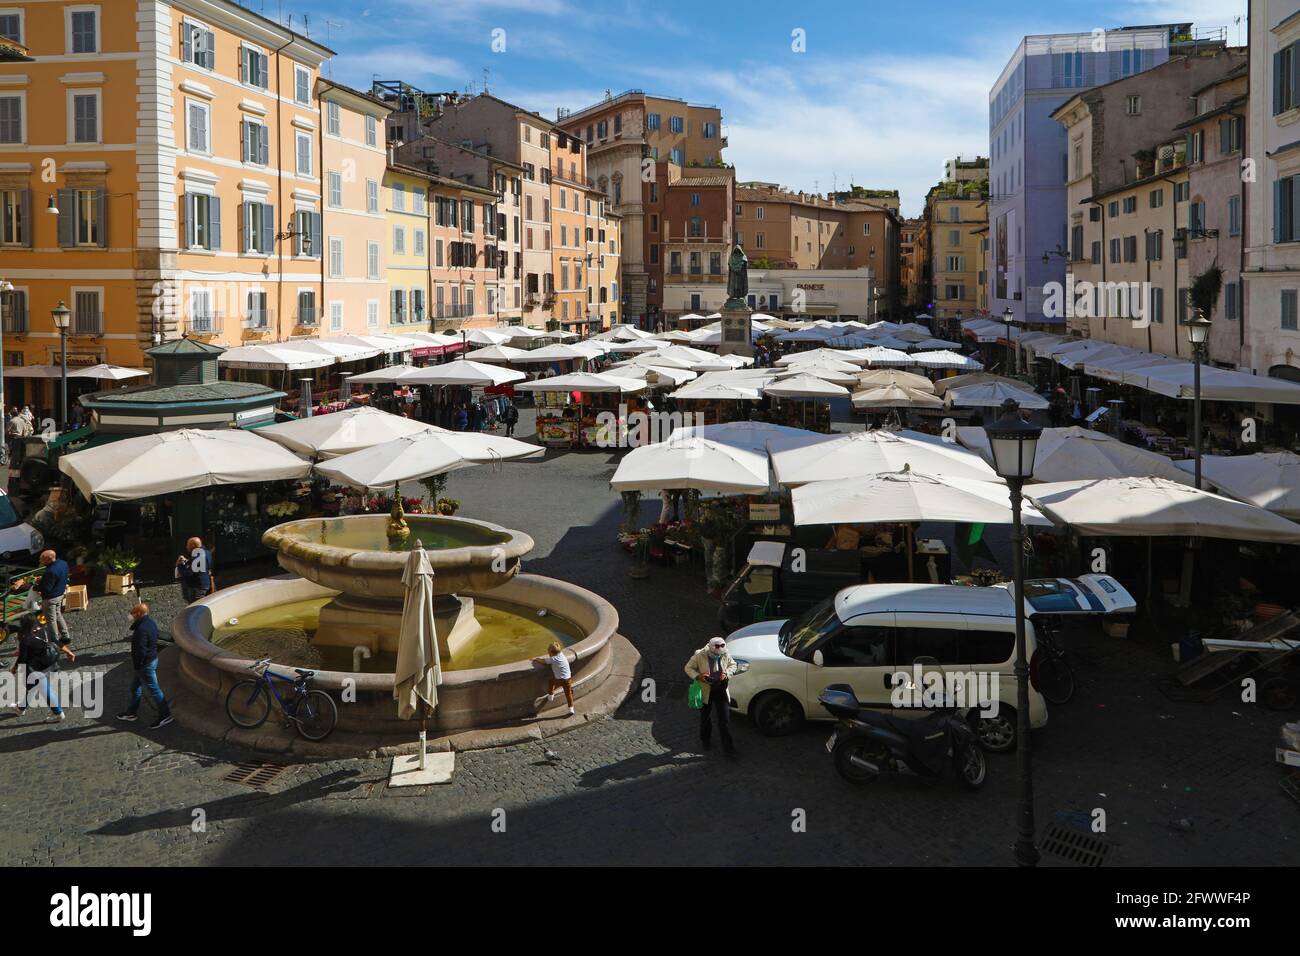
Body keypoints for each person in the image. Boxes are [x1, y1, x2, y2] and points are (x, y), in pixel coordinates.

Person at [117, 602, 173, 728]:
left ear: (139, 614)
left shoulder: (141, 630)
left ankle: (165, 714)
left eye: (133, 613)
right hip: (149, 660)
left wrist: (138, 665)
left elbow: (140, 651)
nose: (131, 615)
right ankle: (131, 712)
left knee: (154, 689)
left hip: (144, 665)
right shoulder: (150, 623)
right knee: (135, 687)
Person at [9, 615, 75, 722]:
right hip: (49, 666)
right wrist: (69, 652)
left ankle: (58, 713)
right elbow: (56, 642)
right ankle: (20, 708)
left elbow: (22, 660)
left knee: (43, 689)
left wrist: (14, 669)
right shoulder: (43, 632)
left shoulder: (25, 641)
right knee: (33, 687)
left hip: (36, 669)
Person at [685, 636, 738, 756]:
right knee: (706, 718)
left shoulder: (725, 653)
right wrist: (699, 676)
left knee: (724, 719)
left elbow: (733, 665)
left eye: (722, 647)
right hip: (706, 691)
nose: (720, 652)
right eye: (716, 649)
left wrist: (726, 674)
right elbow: (688, 668)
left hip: (721, 690)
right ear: (710, 648)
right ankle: (705, 739)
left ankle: (728, 747)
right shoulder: (699, 655)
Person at [35, 549, 71, 648]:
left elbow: (46, 589)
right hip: (60, 594)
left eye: (41, 559)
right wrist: (44, 579)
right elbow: (58, 577)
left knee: (51, 620)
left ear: (48, 559)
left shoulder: (50, 571)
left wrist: (34, 586)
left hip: (50, 598)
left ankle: (54, 641)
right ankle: (65, 636)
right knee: (58, 614)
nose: (40, 561)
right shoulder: (63, 563)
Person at [532, 641, 575, 716]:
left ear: (551, 653)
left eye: (548, 651)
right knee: (568, 694)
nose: (548, 653)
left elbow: (543, 661)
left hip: (559, 680)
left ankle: (551, 695)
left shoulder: (553, 659)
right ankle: (571, 708)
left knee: (551, 682)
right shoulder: (562, 655)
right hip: (568, 679)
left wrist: (536, 659)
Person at [176, 536, 215, 603]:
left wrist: (180, 565)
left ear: (193, 546)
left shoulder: (197, 555)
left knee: (196, 608)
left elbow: (188, 573)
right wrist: (187, 561)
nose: (186, 547)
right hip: (206, 584)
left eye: (187, 545)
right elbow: (201, 566)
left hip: (197, 587)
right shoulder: (206, 552)